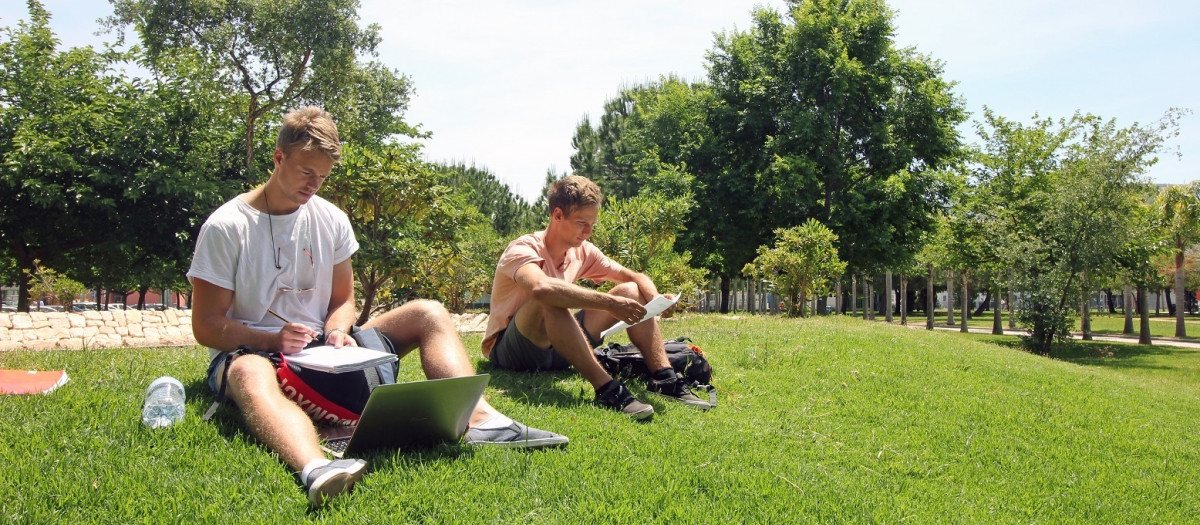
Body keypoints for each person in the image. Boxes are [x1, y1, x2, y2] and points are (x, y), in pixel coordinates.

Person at [188, 106, 567, 507]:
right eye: (305, 173)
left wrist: (336, 329)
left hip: (326, 350)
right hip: (255, 351)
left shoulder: (330, 219)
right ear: (279, 158)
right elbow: (207, 327)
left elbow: (343, 300)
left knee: (428, 312)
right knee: (247, 370)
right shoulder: (227, 227)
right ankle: (317, 468)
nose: (314, 185)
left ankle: (480, 420)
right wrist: (271, 338)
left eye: (323, 177)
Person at [482, 175, 714, 420]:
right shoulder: (522, 249)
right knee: (550, 296)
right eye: (582, 223)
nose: (589, 232)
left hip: (559, 349)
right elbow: (541, 288)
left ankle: (664, 379)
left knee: (630, 291)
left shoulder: (582, 251)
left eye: (592, 223)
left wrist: (655, 297)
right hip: (513, 351)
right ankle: (608, 389)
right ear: (558, 215)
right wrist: (609, 303)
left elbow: (635, 276)